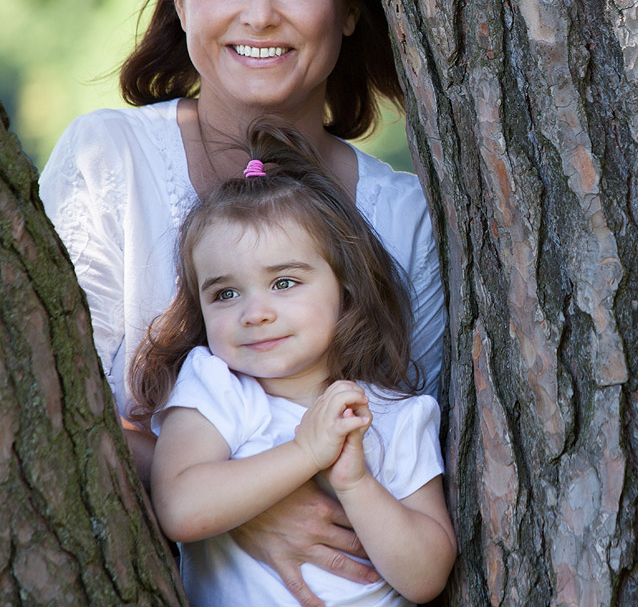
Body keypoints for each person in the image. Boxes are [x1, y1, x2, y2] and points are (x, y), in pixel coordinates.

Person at [37, 0, 446, 605]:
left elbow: (420, 443)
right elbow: (54, 416)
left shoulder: (402, 214)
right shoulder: (108, 160)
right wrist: (250, 504)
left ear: (351, 6)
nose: (259, 13)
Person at [129, 121, 455, 606]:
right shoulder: (215, 389)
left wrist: (355, 481)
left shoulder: (392, 414)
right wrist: (306, 452)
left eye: (284, 282)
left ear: (345, 290)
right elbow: (180, 507)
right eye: (225, 293)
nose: (254, 312)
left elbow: (427, 576)